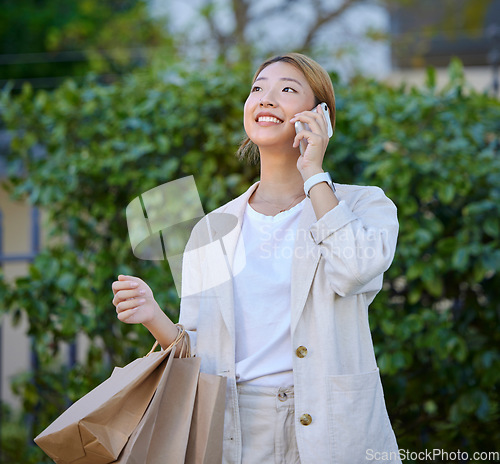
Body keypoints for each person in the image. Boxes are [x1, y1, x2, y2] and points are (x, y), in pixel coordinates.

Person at [112, 53, 401, 464]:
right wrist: (153, 316)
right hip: (238, 428)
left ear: (320, 116)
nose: (266, 98)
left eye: (286, 89)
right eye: (257, 88)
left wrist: (314, 172)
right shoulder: (212, 229)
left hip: (335, 426)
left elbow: (355, 270)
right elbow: (199, 349)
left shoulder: (363, 204)